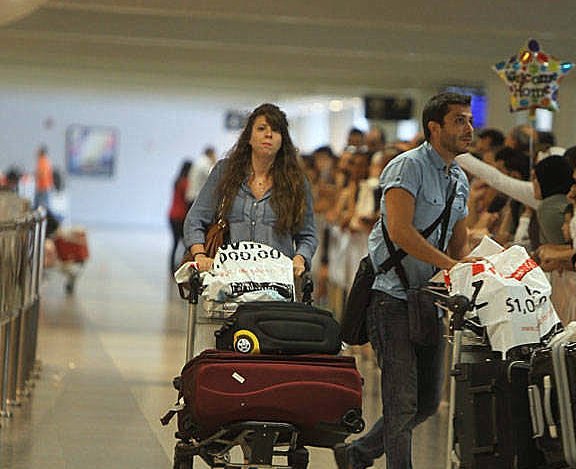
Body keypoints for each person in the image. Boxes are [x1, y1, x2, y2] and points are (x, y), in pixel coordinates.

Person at [333, 92, 473, 469]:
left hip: (427, 300)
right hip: (389, 296)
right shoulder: (406, 167)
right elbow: (400, 231)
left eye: (469, 120)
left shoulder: (459, 179)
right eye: (459, 120)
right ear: (434, 127)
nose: (469, 129)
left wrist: (478, 266)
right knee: (401, 401)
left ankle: (356, 453)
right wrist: (450, 264)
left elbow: (460, 242)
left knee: (427, 401)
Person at [183, 103, 316, 278]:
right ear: (249, 137)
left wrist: (300, 258)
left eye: (276, 131)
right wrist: (200, 255)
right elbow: (195, 219)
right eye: (261, 128)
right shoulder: (225, 171)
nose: (268, 134)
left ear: (283, 139)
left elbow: (307, 234)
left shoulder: (296, 181)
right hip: (229, 280)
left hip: (276, 283)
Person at [168, 160, 192, 274]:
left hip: (172, 215)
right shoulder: (186, 183)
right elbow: (189, 198)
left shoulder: (177, 181)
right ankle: (182, 267)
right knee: (186, 243)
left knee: (175, 243)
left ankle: (172, 267)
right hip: (180, 216)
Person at [34, 145, 54, 210]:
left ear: (41, 153)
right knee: (44, 205)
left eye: (38, 152)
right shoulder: (47, 161)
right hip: (46, 187)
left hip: (42, 187)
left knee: (41, 206)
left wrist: (35, 175)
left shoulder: (42, 161)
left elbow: (42, 174)